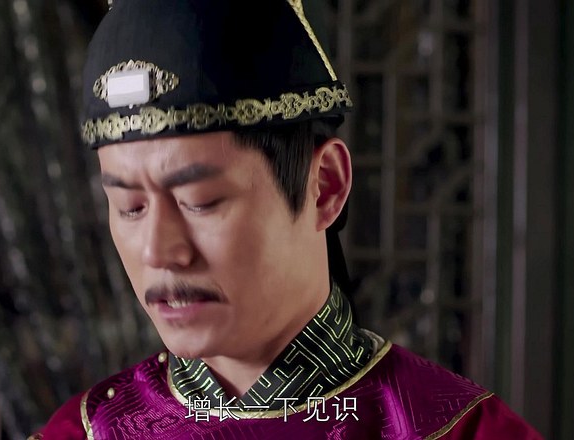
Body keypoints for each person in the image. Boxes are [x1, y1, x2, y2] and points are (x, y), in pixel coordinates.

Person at [30, 0, 542, 438]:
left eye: (200, 201)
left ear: (325, 187)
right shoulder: (86, 431)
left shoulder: (458, 429)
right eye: (130, 207)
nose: (157, 251)